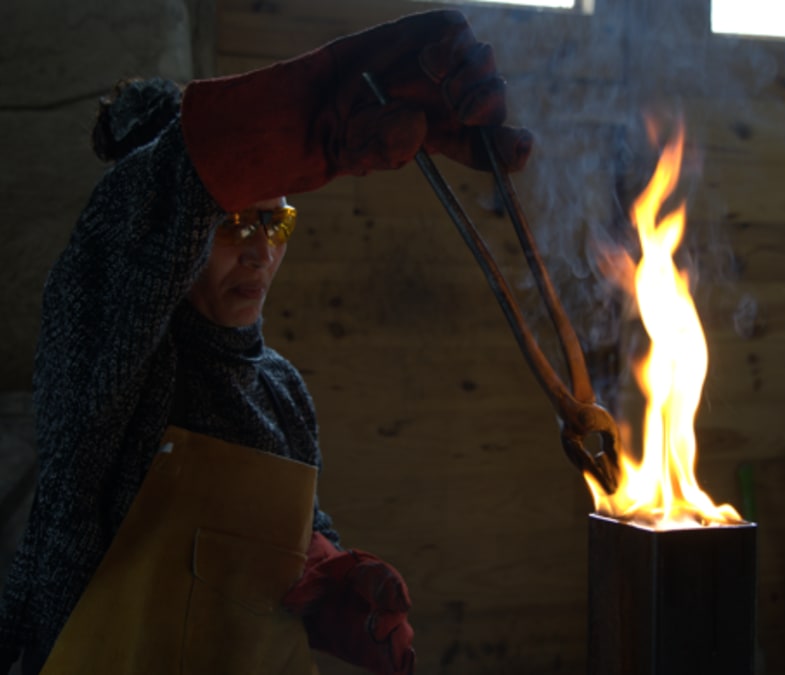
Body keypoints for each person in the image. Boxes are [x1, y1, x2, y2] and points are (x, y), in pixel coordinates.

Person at [0, 9, 532, 675]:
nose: (257, 253)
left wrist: (336, 581)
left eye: (273, 223)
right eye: (231, 223)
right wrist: (303, 110)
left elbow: (285, 550)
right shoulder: (107, 343)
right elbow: (141, 217)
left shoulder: (280, 389)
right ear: (181, 232)